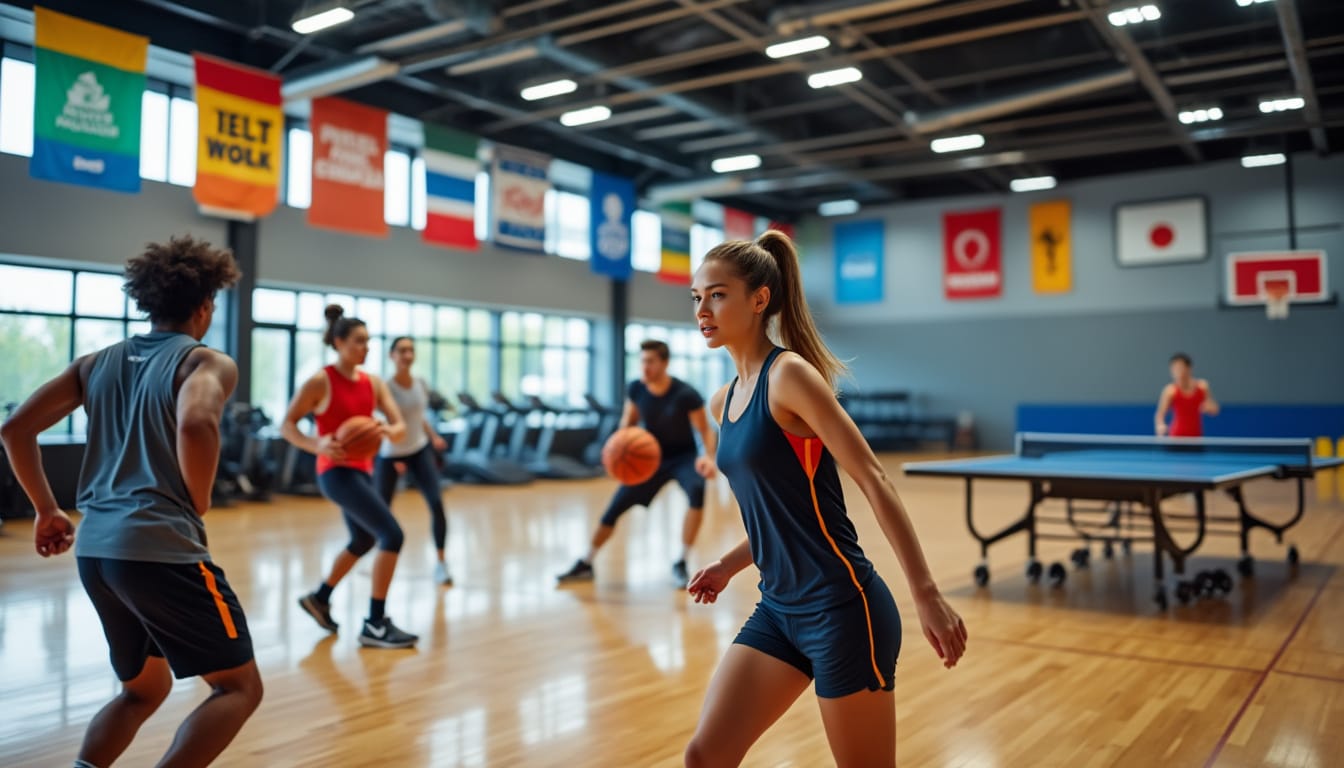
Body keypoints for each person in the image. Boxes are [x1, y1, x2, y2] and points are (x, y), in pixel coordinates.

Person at [682, 231, 966, 768]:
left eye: (717, 295)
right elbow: (780, 515)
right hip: (778, 610)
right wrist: (727, 565)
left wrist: (925, 593)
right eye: (697, 297)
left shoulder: (789, 376)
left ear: (759, 299)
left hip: (843, 610)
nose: (703, 310)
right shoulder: (724, 402)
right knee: (705, 755)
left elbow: (874, 479)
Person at [0, 236, 263, 768]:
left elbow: (15, 429)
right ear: (205, 305)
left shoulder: (95, 363)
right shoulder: (207, 362)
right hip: (160, 550)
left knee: (143, 691)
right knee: (239, 688)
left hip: (98, 555)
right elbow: (197, 421)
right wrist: (197, 497)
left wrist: (47, 509)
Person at [282, 305, 418, 649]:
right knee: (391, 534)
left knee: (363, 539)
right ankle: (375, 623)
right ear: (339, 342)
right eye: (359, 341)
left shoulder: (373, 383)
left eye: (368, 341)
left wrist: (386, 430)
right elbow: (287, 425)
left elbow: (400, 426)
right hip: (335, 472)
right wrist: (317, 444)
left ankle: (319, 598)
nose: (366, 347)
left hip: (362, 470)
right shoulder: (320, 381)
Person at [557, 339, 717, 587]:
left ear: (665, 363)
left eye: (651, 361)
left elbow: (705, 430)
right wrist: (615, 453)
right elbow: (628, 423)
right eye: (642, 361)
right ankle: (586, 563)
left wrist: (708, 457)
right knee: (614, 508)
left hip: (683, 457)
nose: (645, 367)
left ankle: (681, 561)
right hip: (648, 458)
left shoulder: (686, 394)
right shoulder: (636, 388)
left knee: (697, 492)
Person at [375, 336, 453, 586]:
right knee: (380, 511)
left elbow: (418, 416)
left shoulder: (420, 383)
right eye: (402, 350)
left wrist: (433, 436)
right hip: (391, 453)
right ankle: (379, 560)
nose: (408, 355)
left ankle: (441, 563)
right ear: (392, 355)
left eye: (411, 350)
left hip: (419, 449)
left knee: (436, 503)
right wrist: (396, 456)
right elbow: (381, 422)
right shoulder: (385, 386)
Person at [1155, 352, 1219, 438]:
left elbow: (1214, 410)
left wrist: (1209, 408)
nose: (1177, 372)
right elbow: (1160, 415)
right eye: (1174, 369)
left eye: (1180, 368)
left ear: (1189, 368)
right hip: (1176, 438)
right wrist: (1160, 425)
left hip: (1196, 437)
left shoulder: (1202, 387)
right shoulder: (1170, 391)